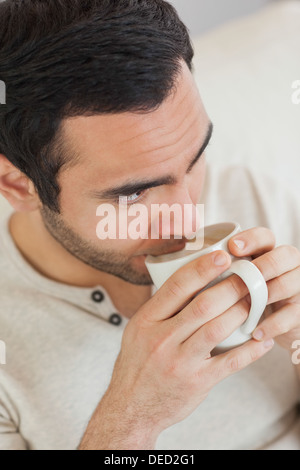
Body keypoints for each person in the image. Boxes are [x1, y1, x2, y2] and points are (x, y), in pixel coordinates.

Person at [0, 0, 299, 450]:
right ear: (18, 185)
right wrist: (131, 420)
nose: (189, 219)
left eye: (196, 159)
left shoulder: (253, 197)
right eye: (134, 193)